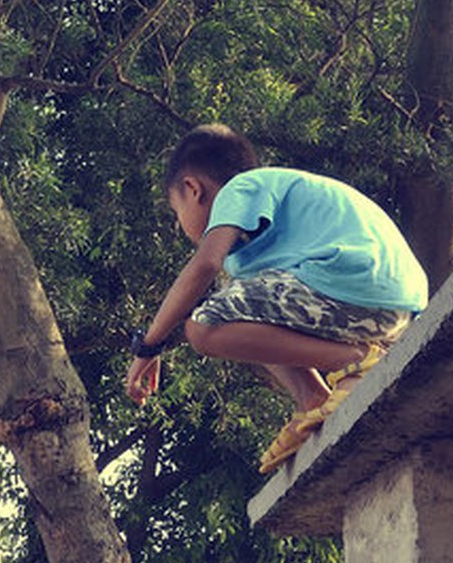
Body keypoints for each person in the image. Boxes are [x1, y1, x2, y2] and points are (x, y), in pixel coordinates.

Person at [125, 124, 429, 471]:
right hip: (384, 305)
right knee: (240, 309)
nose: (181, 228)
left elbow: (204, 265)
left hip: (356, 284)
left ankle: (356, 361)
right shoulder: (263, 233)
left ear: (193, 189)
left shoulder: (240, 188)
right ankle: (312, 399)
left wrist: (149, 346)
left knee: (204, 326)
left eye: (176, 214)